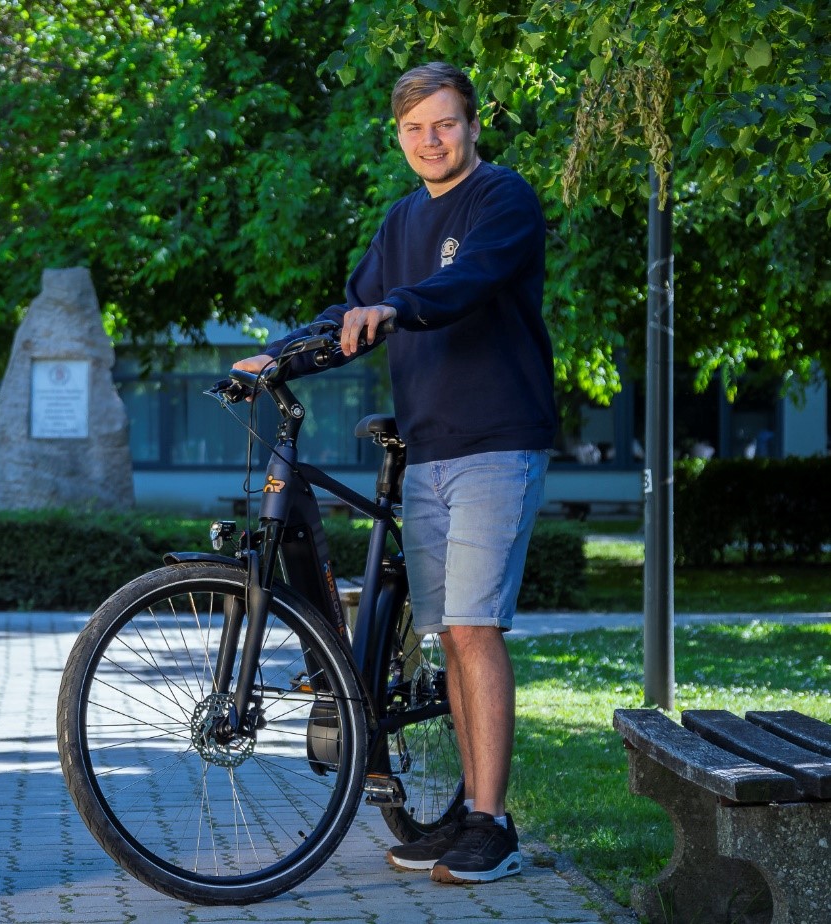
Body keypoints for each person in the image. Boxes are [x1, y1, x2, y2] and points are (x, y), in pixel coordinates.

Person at [234, 62, 556, 884]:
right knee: (448, 633)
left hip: (496, 441)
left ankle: (494, 823)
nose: (430, 140)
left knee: (475, 628)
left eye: (444, 123)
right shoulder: (402, 218)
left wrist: (397, 308)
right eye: (414, 128)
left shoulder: (503, 200)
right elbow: (354, 311)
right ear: (400, 137)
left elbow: (464, 283)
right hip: (429, 446)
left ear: (473, 124)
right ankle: (464, 814)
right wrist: (281, 355)